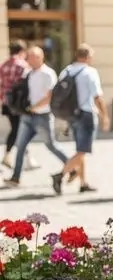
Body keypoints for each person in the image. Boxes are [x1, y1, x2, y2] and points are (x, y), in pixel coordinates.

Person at [2, 45, 69, 189]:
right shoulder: (29, 73)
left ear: (39, 58)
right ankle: (15, 178)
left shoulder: (48, 74)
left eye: (31, 58)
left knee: (51, 146)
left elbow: (50, 96)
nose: (28, 61)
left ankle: (71, 166)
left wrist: (35, 107)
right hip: (28, 116)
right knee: (20, 146)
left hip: (42, 116)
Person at [52, 43, 109, 196]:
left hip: (72, 114)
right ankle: (60, 175)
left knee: (80, 150)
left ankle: (83, 183)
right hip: (86, 114)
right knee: (83, 151)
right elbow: (97, 97)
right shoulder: (90, 72)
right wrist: (105, 116)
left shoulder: (67, 71)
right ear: (88, 57)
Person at [0, 39, 27, 169]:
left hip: (7, 102)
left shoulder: (3, 65)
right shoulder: (23, 65)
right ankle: (10, 155)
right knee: (19, 129)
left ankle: (22, 156)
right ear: (22, 51)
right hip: (19, 103)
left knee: (18, 128)